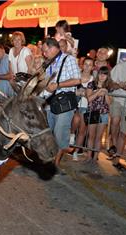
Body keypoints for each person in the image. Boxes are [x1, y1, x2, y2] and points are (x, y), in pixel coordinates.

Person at [41, 38, 81, 171]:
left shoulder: (68, 59)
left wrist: (58, 85)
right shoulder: (49, 62)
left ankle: (56, 164)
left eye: (46, 51)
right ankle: (53, 158)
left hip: (64, 103)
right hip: (51, 102)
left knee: (59, 134)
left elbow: (77, 79)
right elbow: (48, 84)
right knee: (49, 133)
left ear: (53, 48)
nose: (44, 54)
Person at [85, 66, 112, 167]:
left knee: (98, 137)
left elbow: (109, 103)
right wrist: (98, 92)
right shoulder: (91, 84)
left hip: (104, 113)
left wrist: (105, 94)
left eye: (104, 74)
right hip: (92, 112)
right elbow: (89, 99)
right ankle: (88, 157)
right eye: (100, 73)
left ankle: (95, 157)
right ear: (98, 74)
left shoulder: (109, 87)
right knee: (91, 136)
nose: (102, 76)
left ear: (107, 76)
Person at [70, 57, 94, 161]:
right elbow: (69, 88)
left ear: (93, 67)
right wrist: (76, 92)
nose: (87, 66)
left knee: (82, 131)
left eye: (90, 65)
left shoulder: (93, 79)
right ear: (82, 65)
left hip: (86, 106)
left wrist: (86, 94)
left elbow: (93, 94)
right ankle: (71, 133)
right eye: (86, 64)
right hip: (73, 105)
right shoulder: (76, 75)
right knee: (76, 119)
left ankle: (76, 151)